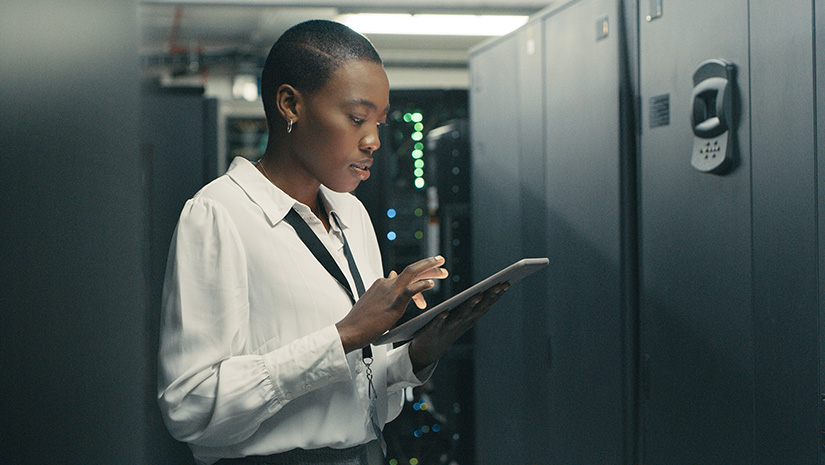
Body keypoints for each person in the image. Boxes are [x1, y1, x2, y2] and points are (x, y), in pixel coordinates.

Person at [157, 19, 508, 465]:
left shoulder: (351, 214)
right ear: (290, 105)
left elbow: (361, 398)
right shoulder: (219, 214)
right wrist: (343, 336)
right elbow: (190, 407)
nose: (373, 141)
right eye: (357, 118)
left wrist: (416, 356)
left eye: (379, 123)